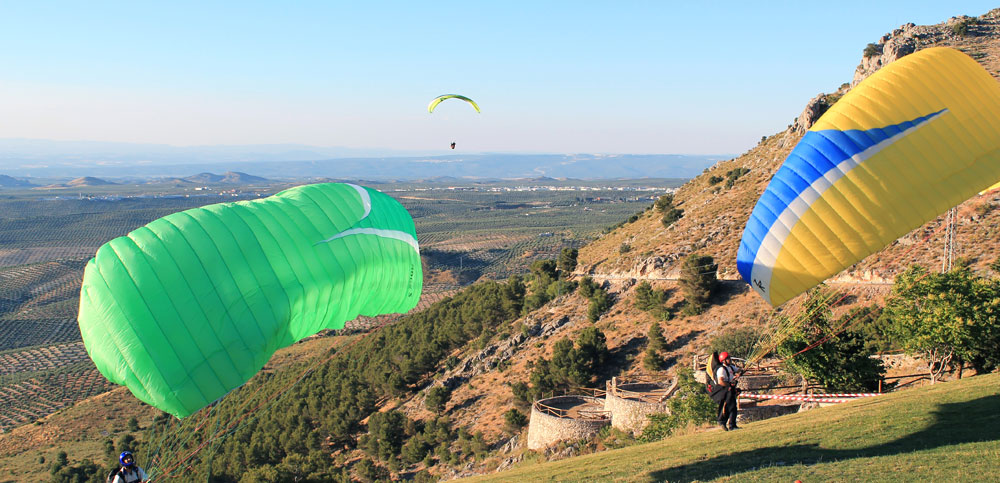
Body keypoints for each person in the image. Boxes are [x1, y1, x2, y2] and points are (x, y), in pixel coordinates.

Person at [715, 351, 742, 431]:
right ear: (723, 361)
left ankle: (729, 424)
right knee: (731, 407)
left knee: (732, 407)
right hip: (726, 391)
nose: (730, 360)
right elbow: (720, 381)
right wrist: (729, 385)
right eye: (728, 359)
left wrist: (740, 372)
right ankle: (729, 424)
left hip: (731, 389)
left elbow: (738, 370)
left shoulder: (731, 367)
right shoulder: (721, 369)